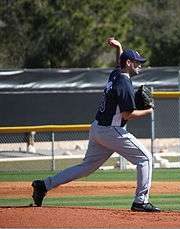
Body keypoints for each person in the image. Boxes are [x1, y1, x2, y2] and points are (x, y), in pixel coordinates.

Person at [32, 38, 160, 212]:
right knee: (145, 158)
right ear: (128, 63)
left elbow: (118, 62)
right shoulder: (124, 84)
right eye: (137, 63)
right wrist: (149, 111)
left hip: (98, 128)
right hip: (112, 131)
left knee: (86, 167)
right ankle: (140, 202)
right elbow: (127, 115)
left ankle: (44, 185)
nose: (140, 65)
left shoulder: (116, 75)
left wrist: (119, 47)